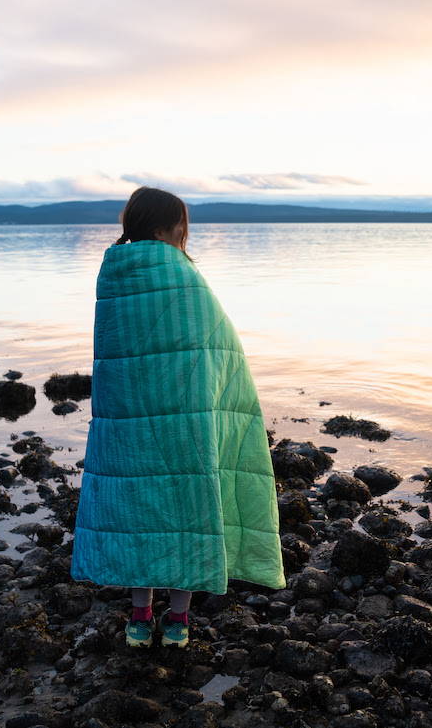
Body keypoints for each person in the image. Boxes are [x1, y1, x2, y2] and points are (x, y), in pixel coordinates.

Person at [70, 186, 286, 648]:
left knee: (136, 509)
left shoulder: (113, 271)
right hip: (185, 418)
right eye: (182, 223)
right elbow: (216, 345)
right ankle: (178, 621)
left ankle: (139, 615)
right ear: (168, 226)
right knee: (190, 507)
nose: (185, 231)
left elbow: (113, 346)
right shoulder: (181, 273)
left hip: (125, 417)